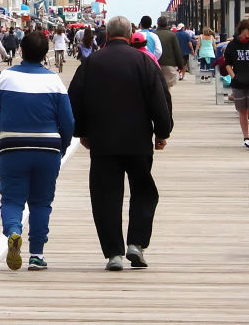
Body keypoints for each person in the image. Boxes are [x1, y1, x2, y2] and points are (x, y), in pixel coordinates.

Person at [69, 16, 173, 271]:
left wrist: (81, 132)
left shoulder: (91, 62)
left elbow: (74, 99)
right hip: (138, 141)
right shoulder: (144, 62)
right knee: (144, 191)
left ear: (107, 34)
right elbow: (160, 100)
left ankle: (114, 253)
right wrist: (162, 132)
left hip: (102, 142)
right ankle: (136, 243)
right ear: (130, 34)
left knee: (106, 196)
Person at [0, 30, 73, 271]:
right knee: (41, 203)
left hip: (12, 147)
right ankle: (37, 255)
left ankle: (13, 231)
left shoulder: (6, 77)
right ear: (44, 54)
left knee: (12, 199)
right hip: (48, 148)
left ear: (21, 51)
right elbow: (69, 121)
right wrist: (64, 145)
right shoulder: (54, 81)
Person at [154, 17, 184, 89]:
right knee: (167, 87)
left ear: (158, 24)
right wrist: (180, 65)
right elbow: (177, 51)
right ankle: (166, 99)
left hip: (155, 64)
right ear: (167, 24)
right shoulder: (172, 35)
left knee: (158, 87)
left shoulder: (154, 34)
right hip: (169, 64)